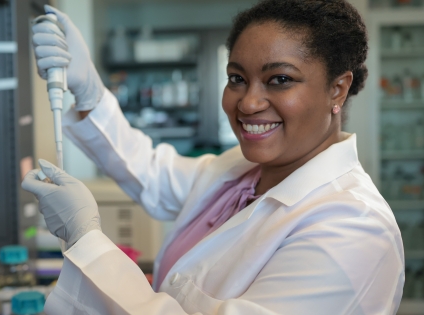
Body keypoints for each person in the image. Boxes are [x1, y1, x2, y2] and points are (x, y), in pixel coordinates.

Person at [22, 0, 404, 314]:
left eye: (280, 79)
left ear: (338, 89)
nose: (249, 102)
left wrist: (86, 240)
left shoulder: (354, 229)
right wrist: (90, 92)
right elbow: (152, 172)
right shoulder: (240, 171)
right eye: (237, 78)